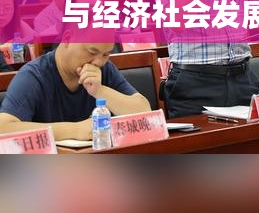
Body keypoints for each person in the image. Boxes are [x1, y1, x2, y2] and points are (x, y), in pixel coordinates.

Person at [0, 25, 151, 140]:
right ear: (67, 39)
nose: (98, 61)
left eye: (106, 54)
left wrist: (99, 91)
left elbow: (145, 111)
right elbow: (4, 127)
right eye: (92, 52)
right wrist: (75, 130)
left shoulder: (104, 69)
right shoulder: (34, 76)